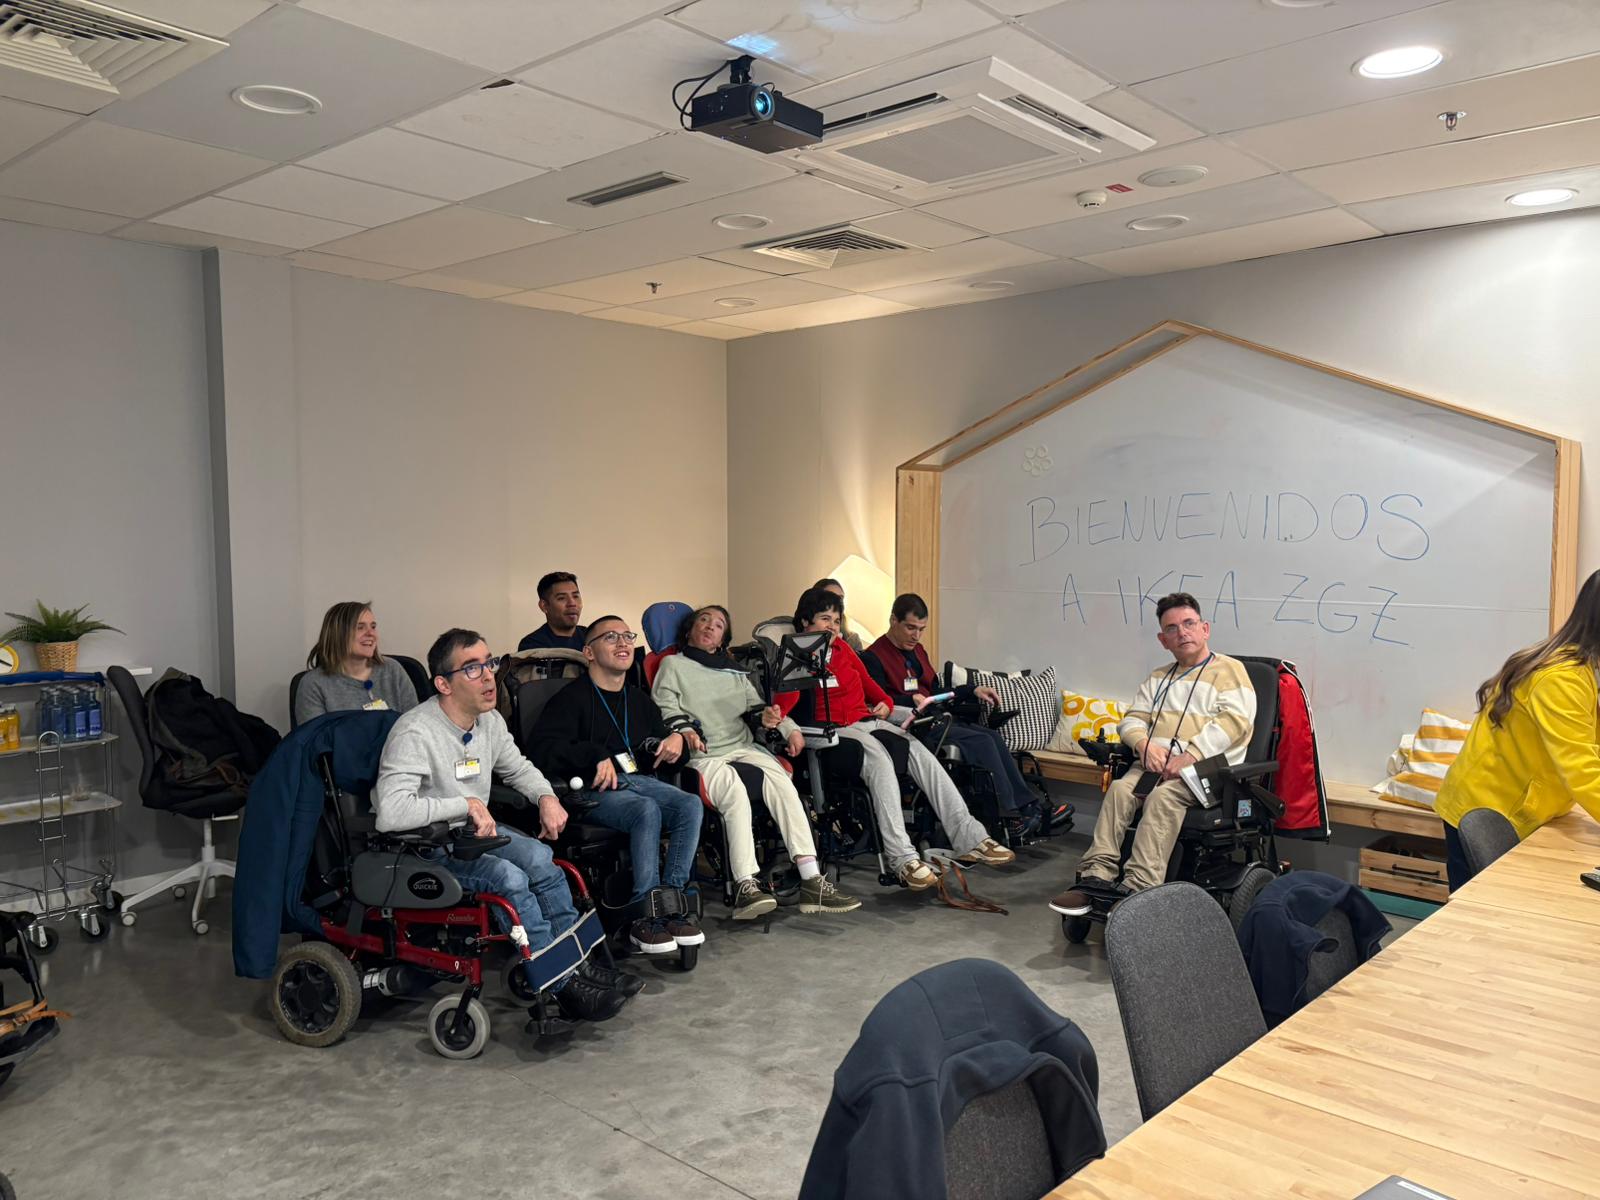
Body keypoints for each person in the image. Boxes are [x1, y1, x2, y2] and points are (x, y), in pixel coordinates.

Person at [376, 627, 639, 1021]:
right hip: (428, 846)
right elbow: (391, 812)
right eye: (472, 668)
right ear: (443, 684)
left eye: (490, 663)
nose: (488, 676)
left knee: (542, 860)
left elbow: (518, 768)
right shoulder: (416, 731)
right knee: (509, 878)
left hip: (475, 835)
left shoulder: (489, 722)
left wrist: (546, 797)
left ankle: (582, 966)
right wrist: (464, 805)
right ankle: (561, 984)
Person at [778, 587, 1015, 890]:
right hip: (830, 732)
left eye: (837, 621)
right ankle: (902, 858)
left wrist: (885, 704)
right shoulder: (797, 657)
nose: (833, 627)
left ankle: (971, 837)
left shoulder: (844, 650)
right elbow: (782, 708)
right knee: (879, 755)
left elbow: (874, 690)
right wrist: (783, 721)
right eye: (825, 619)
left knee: (915, 749)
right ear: (805, 622)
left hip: (864, 721)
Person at [1049, 593, 1256, 916]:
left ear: (1205, 629)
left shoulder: (1231, 671)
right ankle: (1095, 876)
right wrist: (1144, 745)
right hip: (1155, 765)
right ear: (1163, 640)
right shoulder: (1158, 678)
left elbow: (1235, 721)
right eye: (1172, 628)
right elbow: (1131, 719)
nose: (1182, 632)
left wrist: (1192, 754)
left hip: (1207, 772)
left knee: (1162, 798)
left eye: (1189, 624)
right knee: (1120, 790)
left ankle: (1139, 888)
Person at [651, 604, 861, 919]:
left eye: (718, 624)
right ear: (689, 630)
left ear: (722, 640)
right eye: (703, 620)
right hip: (704, 753)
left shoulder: (734, 671)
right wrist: (685, 731)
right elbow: (665, 707)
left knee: (782, 781)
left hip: (742, 745)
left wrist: (787, 727)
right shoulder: (673, 665)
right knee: (734, 789)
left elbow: (759, 708)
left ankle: (811, 879)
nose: (709, 626)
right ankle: (746, 885)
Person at [530, 615, 706, 955]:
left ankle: (671, 905)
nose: (623, 642)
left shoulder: (638, 700)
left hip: (639, 781)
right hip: (590, 790)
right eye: (610, 637)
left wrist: (676, 742)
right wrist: (594, 754)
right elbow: (541, 751)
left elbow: (666, 753)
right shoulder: (571, 699)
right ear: (589, 652)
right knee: (646, 809)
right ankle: (644, 916)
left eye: (627, 636)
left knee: (689, 804)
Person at [1434, 568, 1600, 890]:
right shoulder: (1561, 678)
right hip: (1488, 812)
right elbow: (1582, 768)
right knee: (1478, 910)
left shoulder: (1584, 669)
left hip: (1523, 807)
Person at [862, 593, 1056, 838]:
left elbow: (936, 692)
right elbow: (877, 703)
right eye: (910, 627)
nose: (916, 635)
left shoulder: (918, 651)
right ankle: (1011, 817)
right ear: (893, 620)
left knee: (993, 737)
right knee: (982, 741)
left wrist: (971, 690)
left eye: (921, 629)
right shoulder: (873, 657)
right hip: (911, 726)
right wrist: (909, 700)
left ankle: (1029, 807)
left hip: (936, 717)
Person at [294, 601, 419, 725]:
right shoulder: (313, 684)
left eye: (373, 627)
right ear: (338, 634)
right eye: (360, 627)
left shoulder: (393, 670)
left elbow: (416, 724)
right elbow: (315, 736)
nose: (371, 633)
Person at [518, 571, 586, 651]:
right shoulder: (532, 645)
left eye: (575, 596)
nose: (572, 603)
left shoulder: (591, 637)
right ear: (544, 606)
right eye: (561, 598)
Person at [813, 577, 865, 654]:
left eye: (840, 598)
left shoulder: (852, 639)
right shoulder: (798, 632)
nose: (837, 603)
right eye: (831, 597)